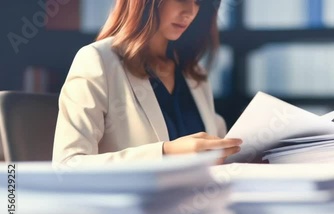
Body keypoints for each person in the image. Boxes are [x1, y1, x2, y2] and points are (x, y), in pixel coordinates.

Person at [52, 0, 242, 168]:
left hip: (201, 205)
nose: (190, 12)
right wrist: (166, 153)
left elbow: (217, 153)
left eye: (198, 2)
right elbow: (67, 164)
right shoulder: (98, 60)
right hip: (132, 207)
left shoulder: (193, 73)